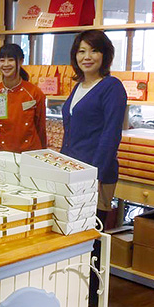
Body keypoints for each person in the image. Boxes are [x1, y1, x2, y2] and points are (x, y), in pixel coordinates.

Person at [61, 30, 127, 225]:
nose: (87, 57)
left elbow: (111, 135)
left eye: (94, 50)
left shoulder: (112, 87)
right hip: (72, 171)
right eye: (81, 51)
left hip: (95, 175)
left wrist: (95, 174)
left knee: (91, 237)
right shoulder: (79, 86)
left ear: (105, 55)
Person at [0, 43, 47, 152]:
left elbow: (40, 127)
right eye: (2, 60)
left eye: (11, 60)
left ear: (21, 61)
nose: (6, 64)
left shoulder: (34, 93)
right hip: (1, 153)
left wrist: (43, 153)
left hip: (29, 152)